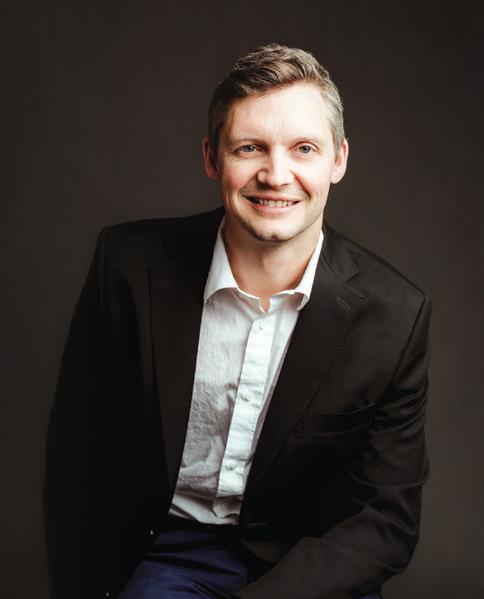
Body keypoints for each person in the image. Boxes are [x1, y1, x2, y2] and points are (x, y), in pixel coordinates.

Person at [44, 43, 431, 599]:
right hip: (169, 552)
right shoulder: (126, 267)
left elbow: (387, 517)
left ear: (338, 160)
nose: (276, 175)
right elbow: (76, 463)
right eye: (250, 147)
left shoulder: (395, 315)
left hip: (314, 564)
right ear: (212, 158)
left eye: (304, 149)